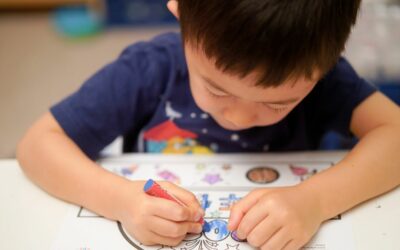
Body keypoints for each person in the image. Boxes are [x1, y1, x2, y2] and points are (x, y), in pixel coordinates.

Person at [17, 0, 400, 249]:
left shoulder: (327, 75)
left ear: (329, 60)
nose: (239, 116)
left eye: (276, 102)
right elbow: (37, 145)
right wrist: (120, 200)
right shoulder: (148, 70)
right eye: (216, 89)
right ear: (180, 10)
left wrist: (316, 200)